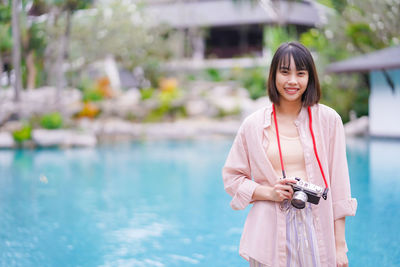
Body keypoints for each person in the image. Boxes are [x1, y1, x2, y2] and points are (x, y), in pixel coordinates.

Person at [222, 42, 357, 267]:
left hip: (316, 229)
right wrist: (269, 192)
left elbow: (340, 186)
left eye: (300, 73)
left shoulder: (329, 120)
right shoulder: (253, 125)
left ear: (309, 77)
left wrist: (340, 245)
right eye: (285, 72)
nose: (292, 81)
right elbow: (232, 178)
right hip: (269, 235)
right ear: (273, 75)